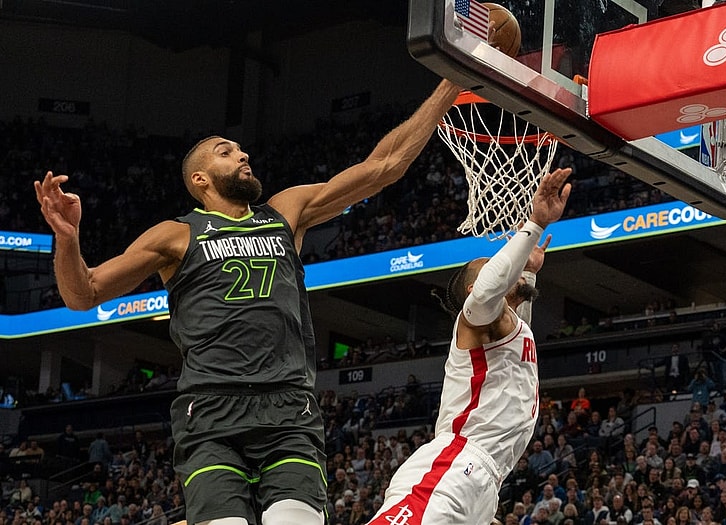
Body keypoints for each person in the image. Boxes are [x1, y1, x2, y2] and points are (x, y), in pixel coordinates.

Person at [35, 79, 463, 525]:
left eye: (240, 149)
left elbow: (385, 165)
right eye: (225, 151)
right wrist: (67, 240)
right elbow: (83, 294)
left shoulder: (285, 212)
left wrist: (451, 83)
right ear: (200, 179)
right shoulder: (176, 236)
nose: (242, 155)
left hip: (287, 407)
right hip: (211, 412)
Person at [366, 167, 572, 525]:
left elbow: (515, 309)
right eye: (494, 267)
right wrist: (534, 225)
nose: (508, 269)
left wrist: (531, 269)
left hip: (484, 481)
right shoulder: (474, 318)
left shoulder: (509, 327)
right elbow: (491, 289)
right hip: (452, 466)